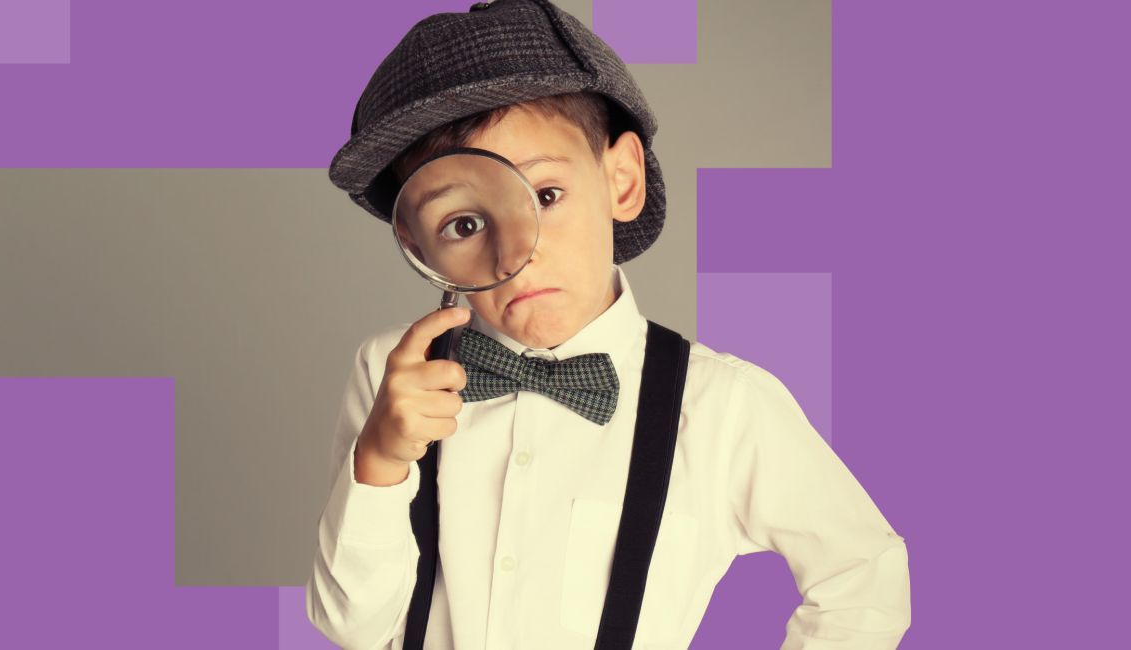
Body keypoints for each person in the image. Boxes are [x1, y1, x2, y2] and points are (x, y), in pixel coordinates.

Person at [307, 1, 910, 648]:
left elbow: (863, 574)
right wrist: (380, 460)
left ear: (620, 180)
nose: (517, 251)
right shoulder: (393, 376)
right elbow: (353, 627)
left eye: (545, 196)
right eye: (463, 223)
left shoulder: (719, 405)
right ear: (418, 243)